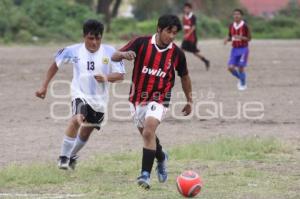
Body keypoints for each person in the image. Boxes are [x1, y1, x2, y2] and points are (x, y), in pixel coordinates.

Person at [112, 14, 193, 189]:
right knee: (147, 135)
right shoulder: (141, 43)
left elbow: (185, 77)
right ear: (159, 29)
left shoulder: (177, 54)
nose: (171, 36)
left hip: (160, 97)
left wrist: (189, 100)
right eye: (168, 32)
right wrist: (124, 54)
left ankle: (145, 175)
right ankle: (161, 156)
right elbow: (114, 56)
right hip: (137, 98)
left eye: (174, 33)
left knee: (148, 132)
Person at [35, 19, 125, 170]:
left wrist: (106, 77)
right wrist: (44, 86)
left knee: (85, 133)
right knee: (77, 119)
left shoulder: (111, 52)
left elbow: (121, 75)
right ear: (84, 36)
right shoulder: (73, 50)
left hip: (100, 101)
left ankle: (71, 156)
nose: (94, 42)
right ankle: (63, 158)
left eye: (98, 38)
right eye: (91, 38)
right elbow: (55, 65)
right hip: (80, 93)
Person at [224, 8, 251, 91]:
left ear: (241, 16)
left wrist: (241, 37)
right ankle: (241, 78)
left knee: (240, 67)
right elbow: (230, 36)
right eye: (235, 14)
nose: (236, 15)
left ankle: (243, 84)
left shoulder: (245, 26)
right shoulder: (231, 26)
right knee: (230, 68)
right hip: (234, 49)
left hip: (243, 49)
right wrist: (227, 39)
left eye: (238, 14)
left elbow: (249, 38)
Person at [181, 2, 210, 70]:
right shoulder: (184, 17)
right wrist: (184, 33)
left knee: (195, 53)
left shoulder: (193, 17)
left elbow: (193, 27)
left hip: (192, 38)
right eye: (185, 8)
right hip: (186, 38)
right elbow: (184, 26)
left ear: (190, 9)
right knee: (181, 50)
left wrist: (188, 34)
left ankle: (206, 61)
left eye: (187, 8)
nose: (186, 10)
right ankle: (182, 65)